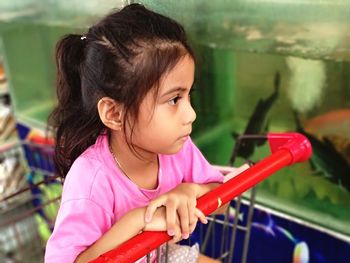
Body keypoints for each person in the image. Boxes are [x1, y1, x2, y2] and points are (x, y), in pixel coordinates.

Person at [44, 3, 248, 263]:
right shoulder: (91, 179)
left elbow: (224, 201)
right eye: (174, 99)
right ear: (115, 114)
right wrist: (139, 219)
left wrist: (192, 190)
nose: (191, 114)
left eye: (188, 96)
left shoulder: (177, 148)